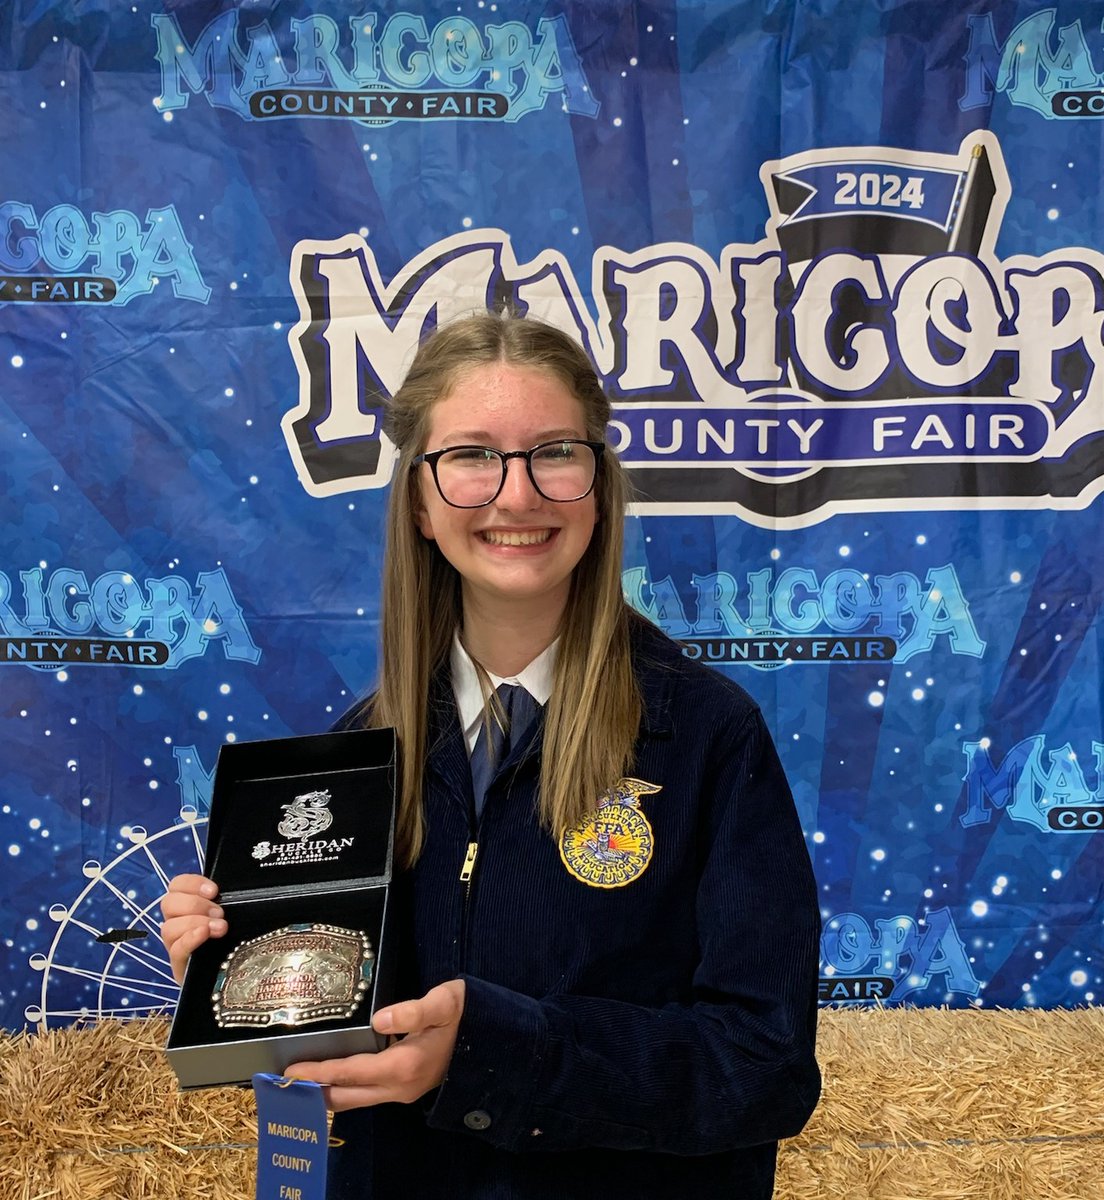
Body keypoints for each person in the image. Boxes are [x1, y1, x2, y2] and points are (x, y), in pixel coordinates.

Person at [162, 311, 821, 1199]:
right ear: (423, 506)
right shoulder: (360, 751)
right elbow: (330, 1059)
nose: (517, 496)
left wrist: (496, 1052)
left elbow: (765, 1067)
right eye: (472, 455)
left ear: (598, 483)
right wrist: (245, 983)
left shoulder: (707, 735)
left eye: (554, 451)